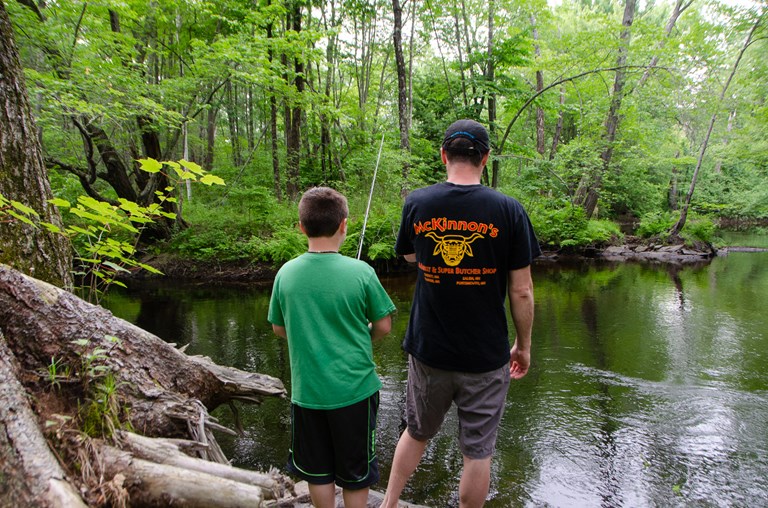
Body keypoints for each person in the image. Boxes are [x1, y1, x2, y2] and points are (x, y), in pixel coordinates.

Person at [382, 119, 540, 508]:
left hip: (429, 349)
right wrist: (523, 345)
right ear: (485, 158)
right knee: (478, 452)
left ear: (443, 156)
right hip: (486, 357)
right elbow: (521, 289)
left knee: (416, 432)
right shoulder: (509, 210)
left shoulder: (418, 202)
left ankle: (386, 505)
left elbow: (408, 254)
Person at [268, 186, 396, 508]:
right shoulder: (361, 272)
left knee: (317, 471)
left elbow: (278, 328)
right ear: (344, 225)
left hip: (308, 393)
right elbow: (383, 326)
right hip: (355, 391)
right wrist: (359, 335)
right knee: (356, 472)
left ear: (301, 227)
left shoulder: (286, 274)